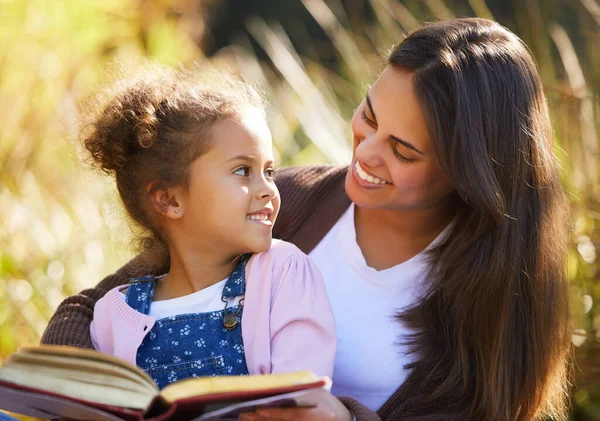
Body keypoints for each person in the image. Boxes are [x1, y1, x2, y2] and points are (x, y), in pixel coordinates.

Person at [41, 18, 571, 421]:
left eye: (404, 151)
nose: (366, 154)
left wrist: (342, 417)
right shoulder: (282, 203)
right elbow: (90, 309)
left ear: (471, 173)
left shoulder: (501, 300)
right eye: (368, 115)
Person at [74, 67, 336, 387]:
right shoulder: (114, 315)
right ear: (169, 200)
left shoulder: (282, 273)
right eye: (242, 170)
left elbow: (301, 399)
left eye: (268, 170)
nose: (269, 188)